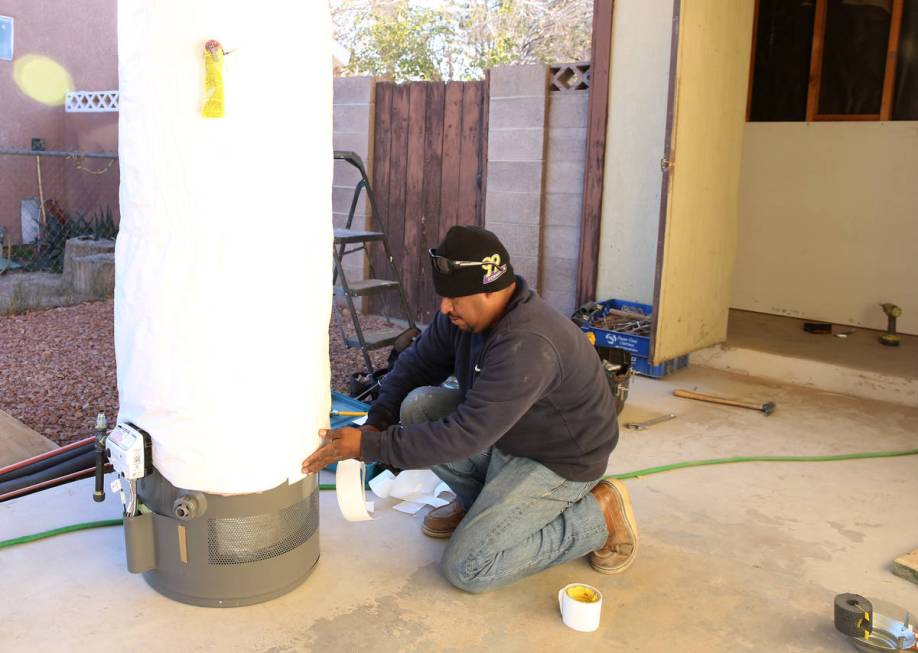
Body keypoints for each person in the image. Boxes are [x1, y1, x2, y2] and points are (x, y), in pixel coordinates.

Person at [303, 225, 637, 593]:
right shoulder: (462, 319)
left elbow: (466, 434)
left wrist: (368, 448)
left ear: (491, 290)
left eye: (455, 298)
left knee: (469, 567)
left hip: (558, 460)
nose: (445, 307)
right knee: (419, 406)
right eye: (444, 296)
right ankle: (476, 504)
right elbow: (416, 365)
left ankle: (598, 516)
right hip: (511, 435)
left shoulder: (527, 344)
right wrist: (379, 420)